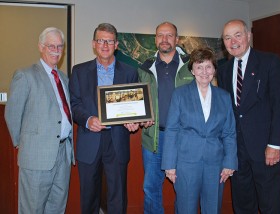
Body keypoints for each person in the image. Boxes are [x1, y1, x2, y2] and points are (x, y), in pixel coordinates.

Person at [217, 19, 280, 213]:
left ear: (248, 36)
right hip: (237, 152)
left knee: (269, 205)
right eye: (227, 37)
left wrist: (275, 144)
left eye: (237, 35)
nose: (233, 41)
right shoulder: (223, 70)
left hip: (266, 150)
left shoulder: (270, 62)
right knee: (242, 204)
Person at [69, 23, 139, 214]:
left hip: (117, 140)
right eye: (101, 40)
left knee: (117, 196)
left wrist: (134, 120)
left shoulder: (130, 72)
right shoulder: (79, 71)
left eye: (109, 41)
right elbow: (74, 104)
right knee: (89, 195)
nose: (105, 45)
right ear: (94, 44)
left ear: (116, 44)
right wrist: (88, 119)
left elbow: (134, 107)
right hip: (89, 139)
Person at [5, 27, 75, 214]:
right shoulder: (25, 75)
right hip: (36, 155)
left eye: (60, 46)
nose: (56, 50)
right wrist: (23, 143)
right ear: (40, 47)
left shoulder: (64, 78)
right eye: (51, 46)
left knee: (57, 207)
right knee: (32, 209)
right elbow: (12, 114)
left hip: (63, 153)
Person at [161, 47, 237, 214]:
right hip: (186, 164)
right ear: (192, 70)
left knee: (213, 208)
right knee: (185, 208)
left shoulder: (224, 97)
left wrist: (230, 162)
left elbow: (229, 132)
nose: (204, 71)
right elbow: (172, 130)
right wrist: (169, 165)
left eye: (208, 66)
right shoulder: (180, 94)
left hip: (215, 164)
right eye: (199, 66)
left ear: (214, 70)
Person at [138, 21, 194, 213]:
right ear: (155, 40)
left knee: (185, 189)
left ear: (177, 39)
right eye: (160, 35)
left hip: (184, 138)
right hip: (154, 137)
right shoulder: (144, 68)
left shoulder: (192, 66)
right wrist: (139, 117)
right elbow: (138, 102)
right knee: (151, 188)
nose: (164, 39)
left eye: (169, 35)